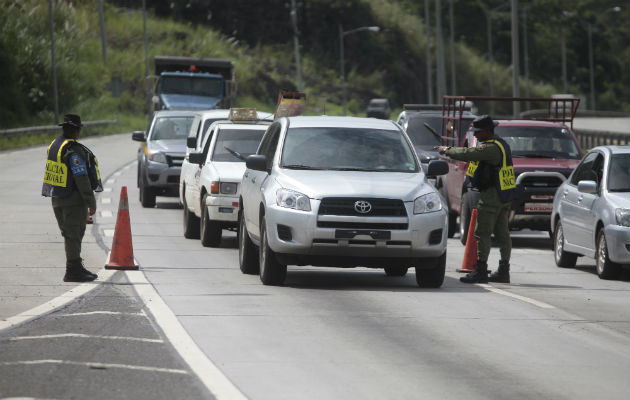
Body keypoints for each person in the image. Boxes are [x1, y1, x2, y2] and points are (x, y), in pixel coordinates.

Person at [437, 115, 517, 284]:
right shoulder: (502, 144)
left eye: (478, 132)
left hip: (492, 196)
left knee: (482, 233)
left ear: (488, 131)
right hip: (504, 195)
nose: (475, 136)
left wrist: (447, 150)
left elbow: (468, 153)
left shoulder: (490, 148)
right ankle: (504, 271)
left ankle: (481, 270)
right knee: (503, 235)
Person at [42, 114, 103, 282]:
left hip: (57, 198)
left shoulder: (55, 145)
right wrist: (91, 202)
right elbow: (81, 178)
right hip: (73, 201)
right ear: (76, 130)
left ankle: (75, 266)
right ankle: (73, 270)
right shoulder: (73, 150)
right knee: (74, 235)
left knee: (69, 234)